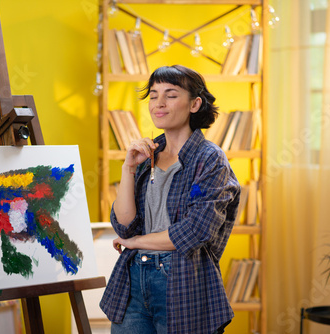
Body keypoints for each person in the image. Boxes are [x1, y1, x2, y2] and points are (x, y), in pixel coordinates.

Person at [99, 65, 241, 334]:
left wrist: (135, 242)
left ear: (195, 104)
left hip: (183, 281)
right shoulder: (146, 154)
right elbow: (125, 226)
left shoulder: (210, 159)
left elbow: (196, 230)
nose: (159, 103)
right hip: (134, 281)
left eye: (171, 95)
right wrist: (128, 169)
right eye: (153, 96)